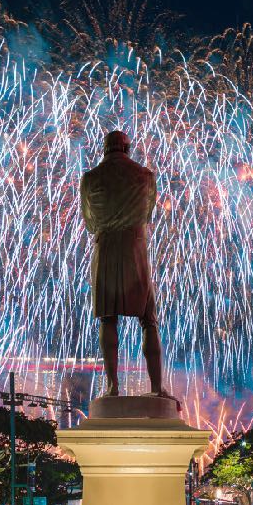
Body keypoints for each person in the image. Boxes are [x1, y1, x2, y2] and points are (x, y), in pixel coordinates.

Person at [80, 130, 168, 398]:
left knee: (107, 318)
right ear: (128, 148)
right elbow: (147, 214)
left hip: (106, 249)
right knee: (148, 319)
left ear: (104, 148)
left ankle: (112, 387)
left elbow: (90, 223)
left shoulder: (90, 178)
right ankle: (157, 387)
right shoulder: (145, 176)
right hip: (134, 248)